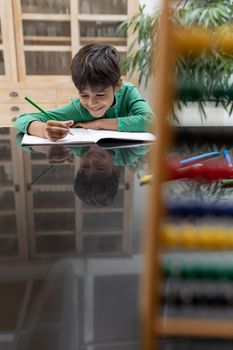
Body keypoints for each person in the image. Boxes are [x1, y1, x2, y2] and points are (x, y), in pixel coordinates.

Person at [14, 43, 154, 141]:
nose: (91, 103)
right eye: (84, 95)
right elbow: (21, 120)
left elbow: (151, 121)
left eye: (100, 94)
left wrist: (99, 124)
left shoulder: (128, 92)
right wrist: (44, 130)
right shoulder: (78, 110)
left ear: (117, 85)